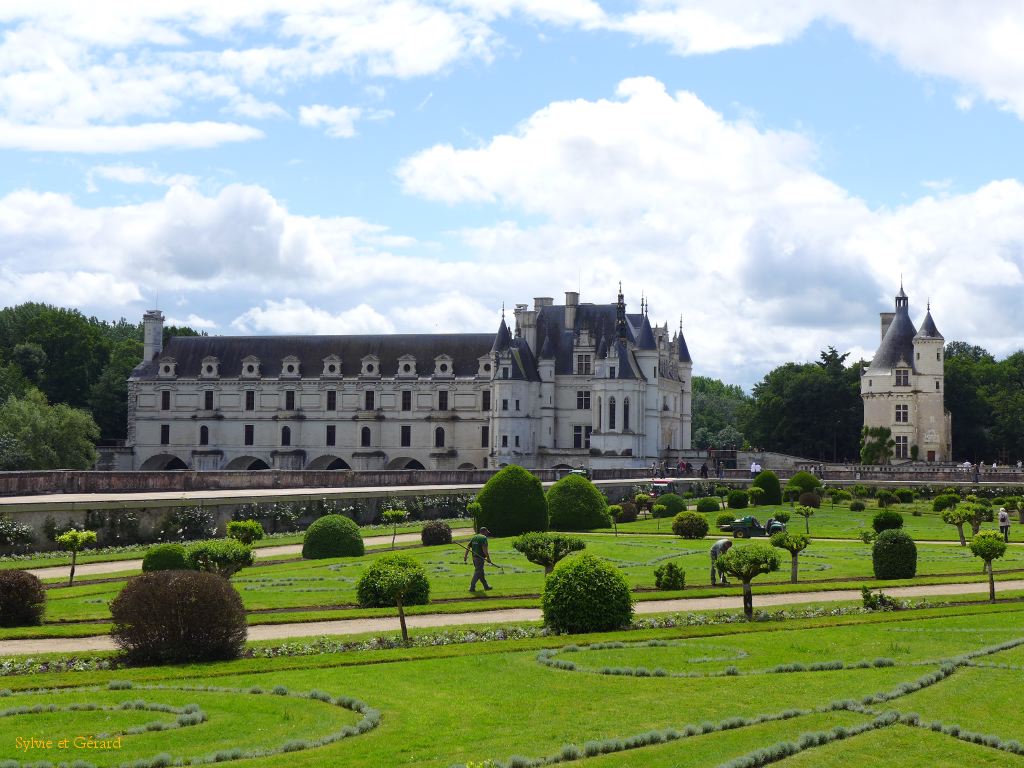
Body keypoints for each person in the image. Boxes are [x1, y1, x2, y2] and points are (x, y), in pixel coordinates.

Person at [465, 526, 493, 592]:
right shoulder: (484, 538)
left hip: (474, 558)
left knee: (481, 572)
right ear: (484, 532)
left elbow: (468, 547)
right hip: (480, 558)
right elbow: (484, 550)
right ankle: (472, 587)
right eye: (486, 532)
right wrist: (488, 558)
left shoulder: (474, 537)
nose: (487, 534)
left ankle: (486, 586)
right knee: (478, 572)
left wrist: (465, 556)